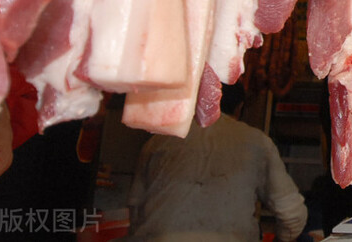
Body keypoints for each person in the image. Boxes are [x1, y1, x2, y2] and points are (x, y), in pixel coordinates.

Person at [126, 83, 307, 242]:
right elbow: (293, 216)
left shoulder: (159, 140)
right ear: (239, 107)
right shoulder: (257, 142)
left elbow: (135, 208)